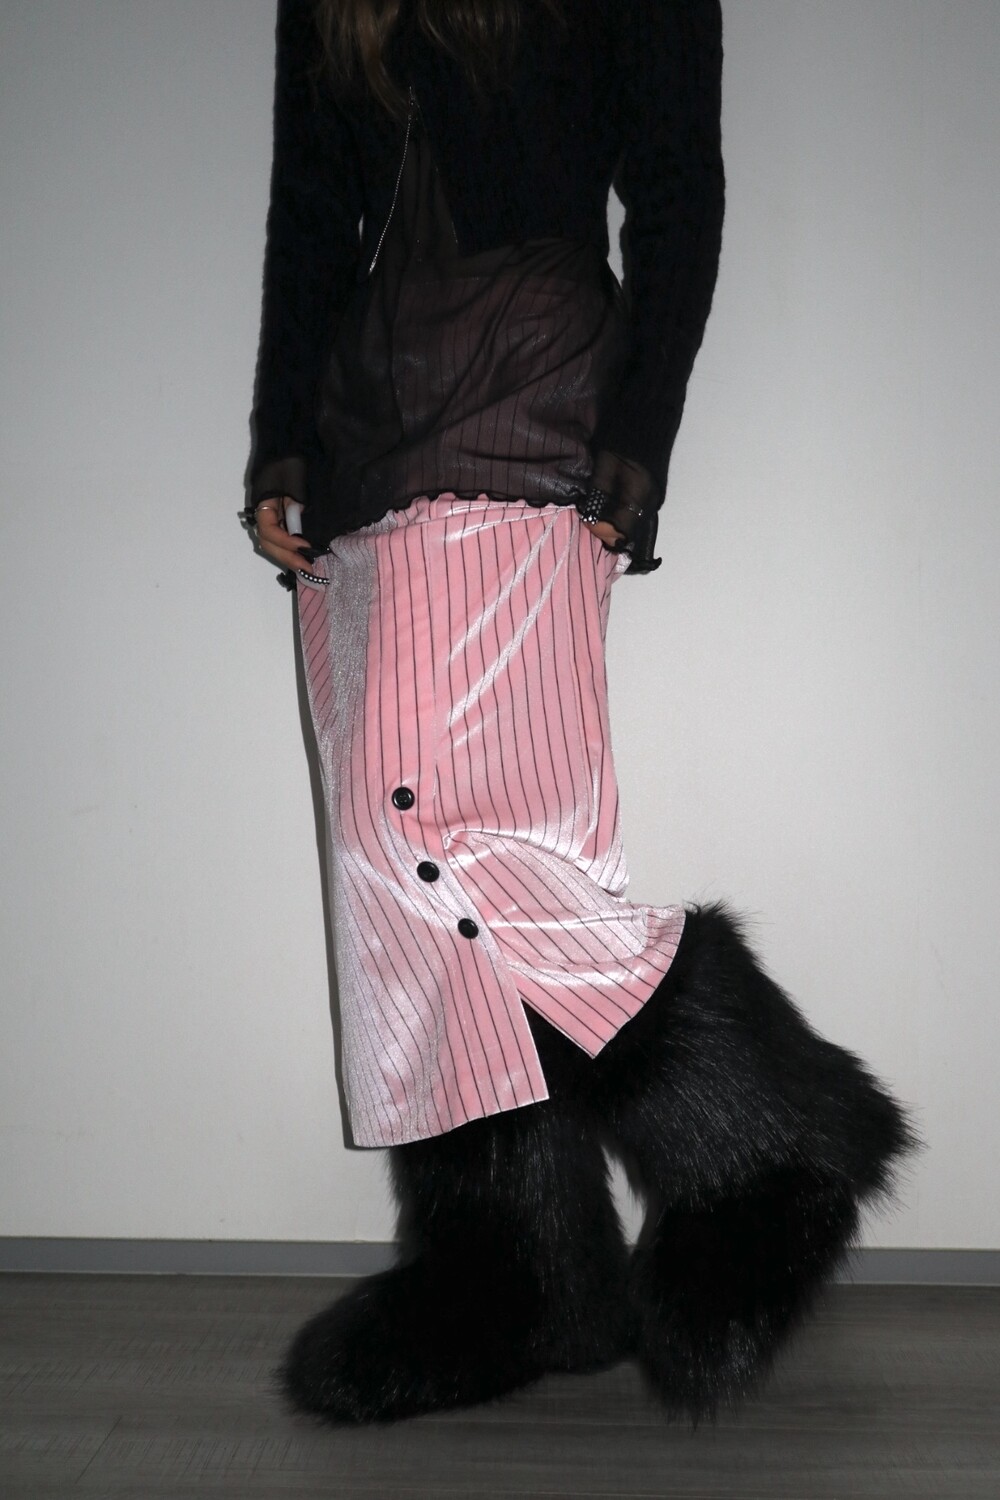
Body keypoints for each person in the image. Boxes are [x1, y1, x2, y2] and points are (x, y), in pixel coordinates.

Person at [242, 0, 922, 1427]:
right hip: (364, 414)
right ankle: (524, 1278)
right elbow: (309, 209)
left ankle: (767, 1129)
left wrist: (642, 430)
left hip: (528, 389)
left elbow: (676, 180)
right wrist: (280, 431)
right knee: (393, 877)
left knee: (435, 828)